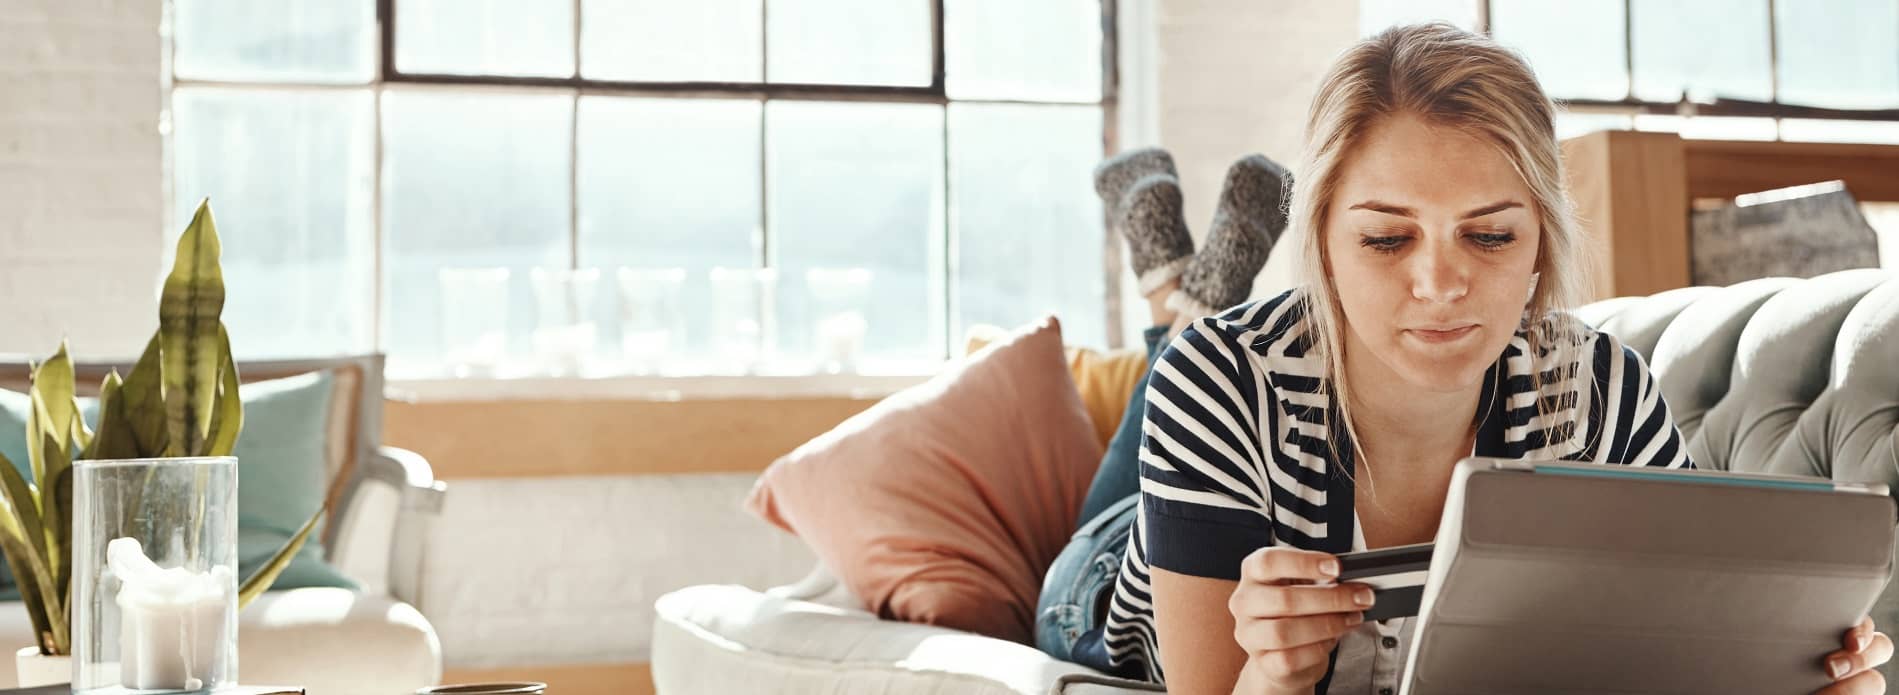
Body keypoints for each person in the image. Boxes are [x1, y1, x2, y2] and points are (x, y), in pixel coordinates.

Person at [1037, 22, 1892, 695]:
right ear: (1325, 246)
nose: (1441, 283)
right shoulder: (1216, 384)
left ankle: (1182, 297)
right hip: (1105, 582)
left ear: (1536, 249)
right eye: (1384, 238)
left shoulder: (1602, 393)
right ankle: (1178, 313)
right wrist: (1267, 674)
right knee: (1183, 360)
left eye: (1487, 234)